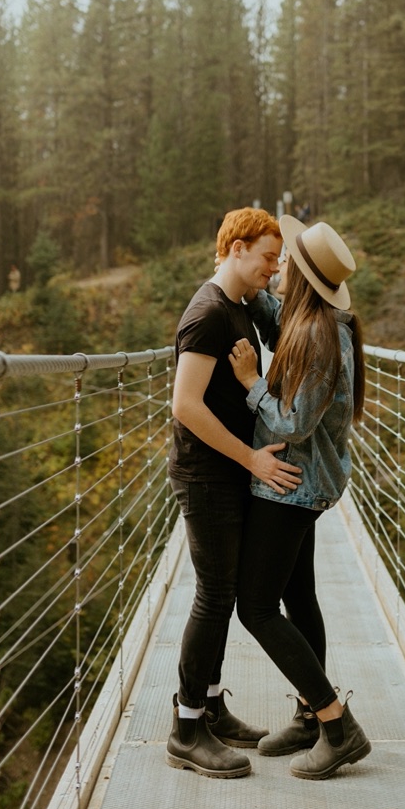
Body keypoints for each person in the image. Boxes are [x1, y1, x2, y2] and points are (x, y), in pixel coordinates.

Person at [228, 216, 372, 780]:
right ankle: (311, 716)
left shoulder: (315, 337)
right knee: (299, 595)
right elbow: (271, 313)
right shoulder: (311, 316)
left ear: (305, 278)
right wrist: (238, 273)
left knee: (256, 607)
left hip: (290, 483)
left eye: (284, 262)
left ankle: (338, 726)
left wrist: (250, 383)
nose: (277, 266)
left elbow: (294, 420)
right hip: (304, 483)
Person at [166, 209, 301, 779]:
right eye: (270, 256)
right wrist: (249, 457)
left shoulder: (241, 307)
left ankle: (213, 708)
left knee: (222, 593)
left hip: (230, 475)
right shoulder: (207, 315)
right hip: (207, 475)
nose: (275, 267)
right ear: (238, 249)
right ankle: (186, 728)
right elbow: (185, 405)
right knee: (215, 595)